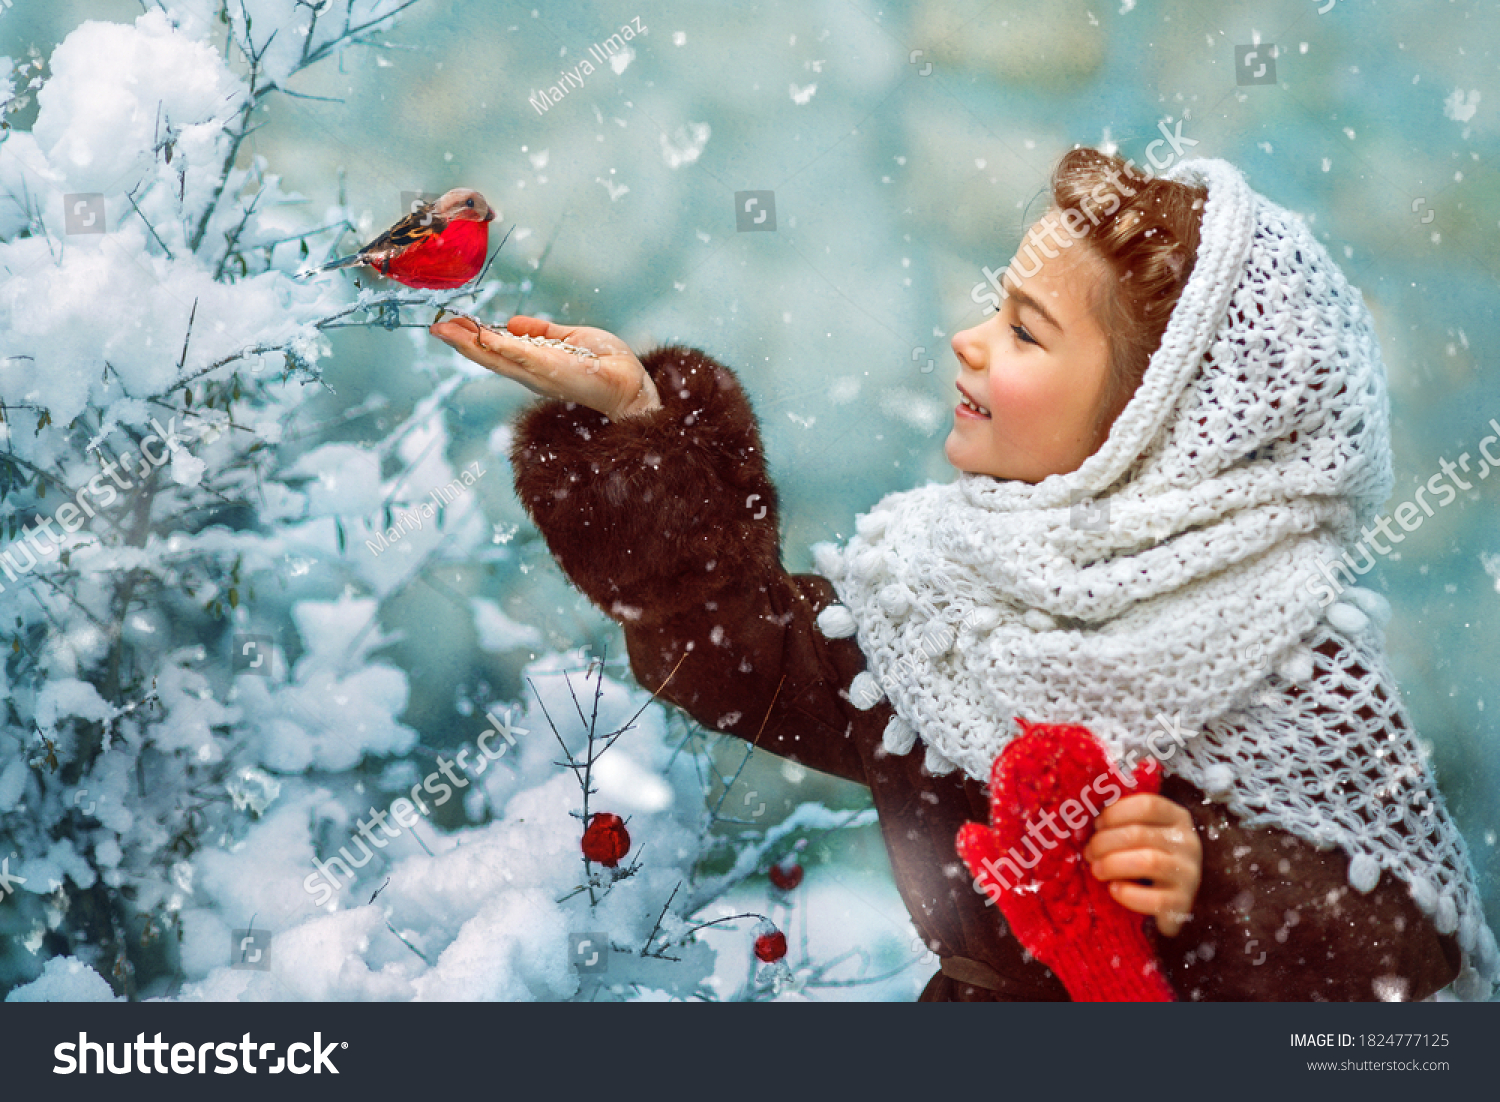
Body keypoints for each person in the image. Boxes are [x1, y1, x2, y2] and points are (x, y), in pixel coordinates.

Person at [430, 148, 1498, 1001]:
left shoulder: (1293, 667)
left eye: (1024, 331)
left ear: (1158, 426)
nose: (968, 341)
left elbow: (1406, 947)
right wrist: (641, 426)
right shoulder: (944, 609)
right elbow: (730, 654)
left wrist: (1215, 878)